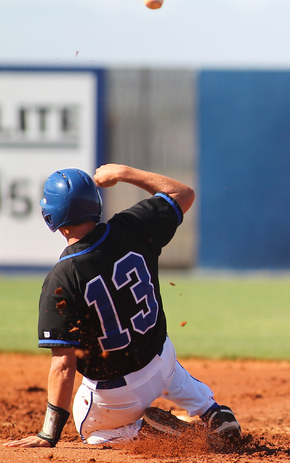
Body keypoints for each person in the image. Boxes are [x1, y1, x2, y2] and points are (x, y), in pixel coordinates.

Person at [4, 164, 241, 448]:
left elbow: (63, 365)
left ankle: (144, 430)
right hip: (162, 363)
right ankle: (210, 409)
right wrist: (123, 173)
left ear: (51, 215)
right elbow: (182, 193)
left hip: (117, 397)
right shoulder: (132, 226)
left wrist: (48, 435)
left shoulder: (61, 279)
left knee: (88, 427)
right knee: (166, 364)